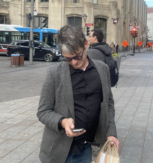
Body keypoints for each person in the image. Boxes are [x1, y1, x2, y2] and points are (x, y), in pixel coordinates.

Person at [37, 25, 119, 163]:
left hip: (85, 149)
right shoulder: (55, 73)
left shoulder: (102, 69)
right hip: (58, 151)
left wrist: (111, 133)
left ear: (86, 44)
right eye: (68, 59)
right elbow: (43, 111)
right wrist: (62, 121)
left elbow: (108, 104)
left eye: (77, 56)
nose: (74, 62)